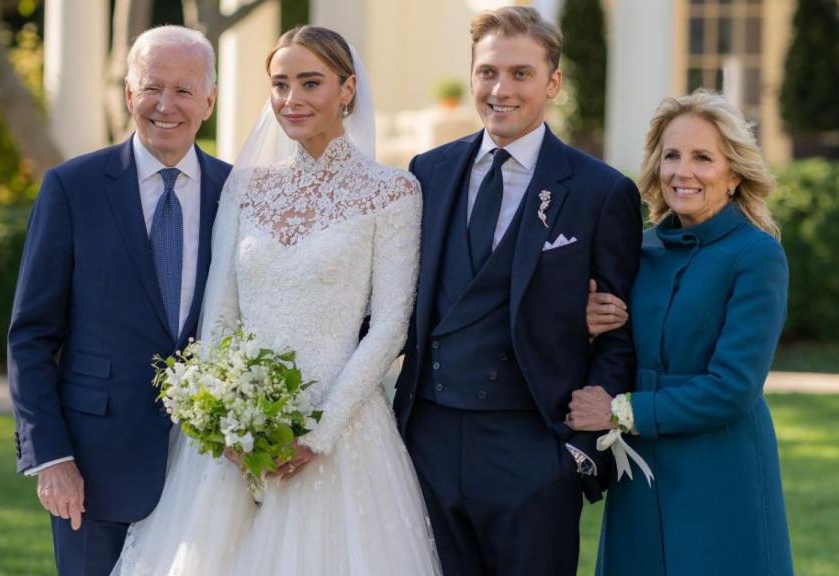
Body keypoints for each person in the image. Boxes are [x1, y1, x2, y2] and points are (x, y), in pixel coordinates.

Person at [110, 26, 441, 576]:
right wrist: (223, 426)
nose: (292, 99)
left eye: (310, 83)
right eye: (280, 83)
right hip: (233, 441)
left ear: (348, 88)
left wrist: (319, 431)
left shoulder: (393, 192)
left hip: (340, 434)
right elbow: (219, 313)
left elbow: (389, 327)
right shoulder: (246, 187)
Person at [392, 6, 642, 575]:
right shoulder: (427, 172)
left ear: (552, 83)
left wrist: (577, 454)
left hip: (532, 445)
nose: (500, 89)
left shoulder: (601, 191)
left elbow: (623, 335)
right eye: (487, 72)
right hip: (426, 440)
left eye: (521, 74)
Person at [7, 26, 231, 576]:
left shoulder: (240, 193)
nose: (165, 105)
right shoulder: (72, 188)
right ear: (129, 95)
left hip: (211, 472)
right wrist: (51, 459)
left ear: (209, 99)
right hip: (93, 467)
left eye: (183, 90)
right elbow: (31, 336)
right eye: (152, 87)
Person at [571, 89, 794, 575]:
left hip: (719, 467)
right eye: (671, 155)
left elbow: (734, 388)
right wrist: (587, 326)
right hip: (640, 472)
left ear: (734, 174)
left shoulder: (757, 256)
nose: (682, 171)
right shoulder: (638, 249)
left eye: (702, 158)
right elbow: (617, 346)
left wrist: (619, 410)